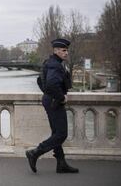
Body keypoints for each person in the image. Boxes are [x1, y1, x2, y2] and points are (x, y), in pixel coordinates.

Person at [26, 38, 79, 174]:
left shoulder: (51, 62)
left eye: (67, 50)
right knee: (61, 134)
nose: (66, 53)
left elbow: (40, 81)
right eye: (63, 50)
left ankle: (61, 163)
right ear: (56, 51)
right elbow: (51, 84)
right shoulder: (55, 65)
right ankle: (35, 153)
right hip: (55, 102)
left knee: (56, 133)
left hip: (50, 100)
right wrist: (61, 97)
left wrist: (47, 94)